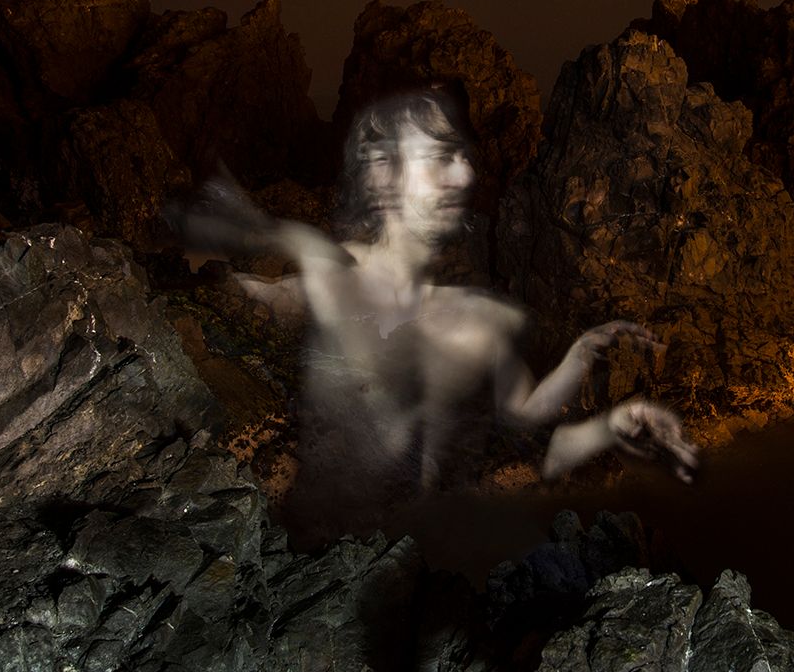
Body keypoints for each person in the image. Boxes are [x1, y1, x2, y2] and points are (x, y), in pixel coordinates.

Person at [170, 89, 698, 545]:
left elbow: (542, 447)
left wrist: (608, 415)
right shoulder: (326, 275)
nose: (464, 173)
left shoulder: (480, 320)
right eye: (440, 156)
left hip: (412, 566)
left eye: (461, 157)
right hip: (304, 571)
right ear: (381, 172)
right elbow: (229, 296)